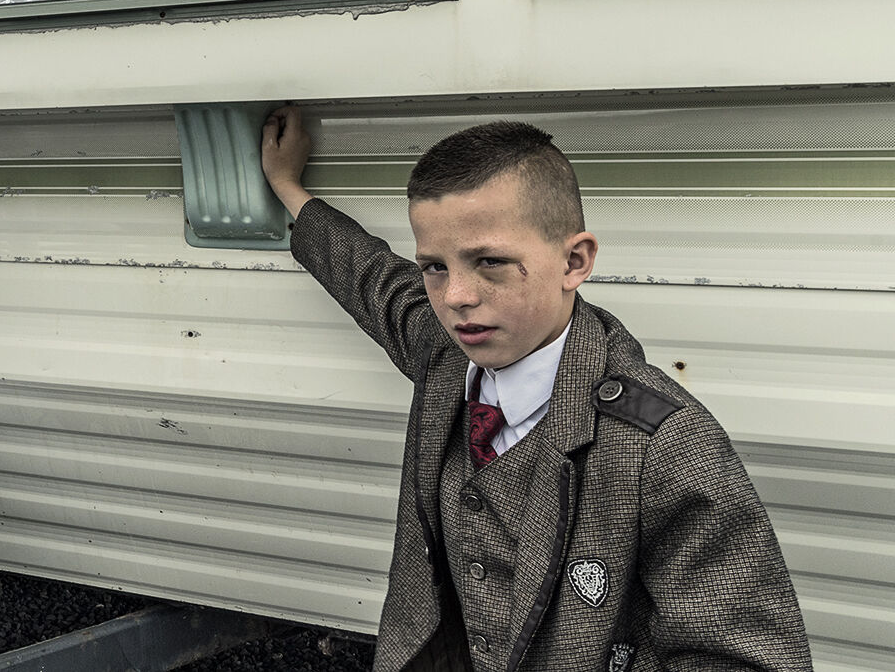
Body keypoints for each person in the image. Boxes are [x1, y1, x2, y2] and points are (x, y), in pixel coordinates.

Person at [260, 106, 811, 672]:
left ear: (574, 261)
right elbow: (372, 278)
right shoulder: (445, 354)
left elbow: (741, 655)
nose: (455, 297)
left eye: (490, 262)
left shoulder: (663, 444)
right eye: (435, 267)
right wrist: (287, 187)